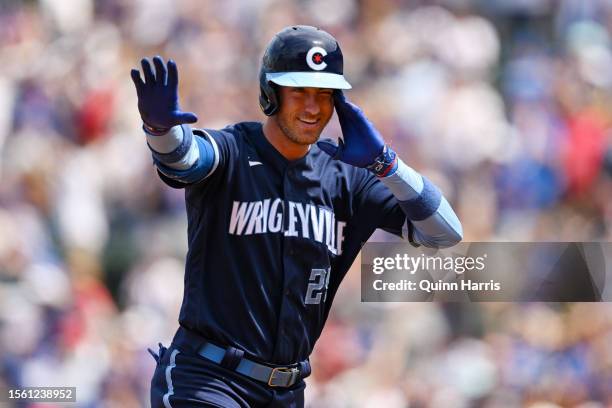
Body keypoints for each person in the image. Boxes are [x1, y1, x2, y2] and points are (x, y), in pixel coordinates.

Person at [130, 25, 462, 408]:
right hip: (208, 380)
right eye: (298, 91)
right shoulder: (233, 150)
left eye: (324, 95)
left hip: (287, 391)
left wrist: (386, 163)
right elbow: (185, 159)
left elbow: (445, 232)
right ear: (270, 94)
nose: (312, 106)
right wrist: (160, 130)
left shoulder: (348, 179)